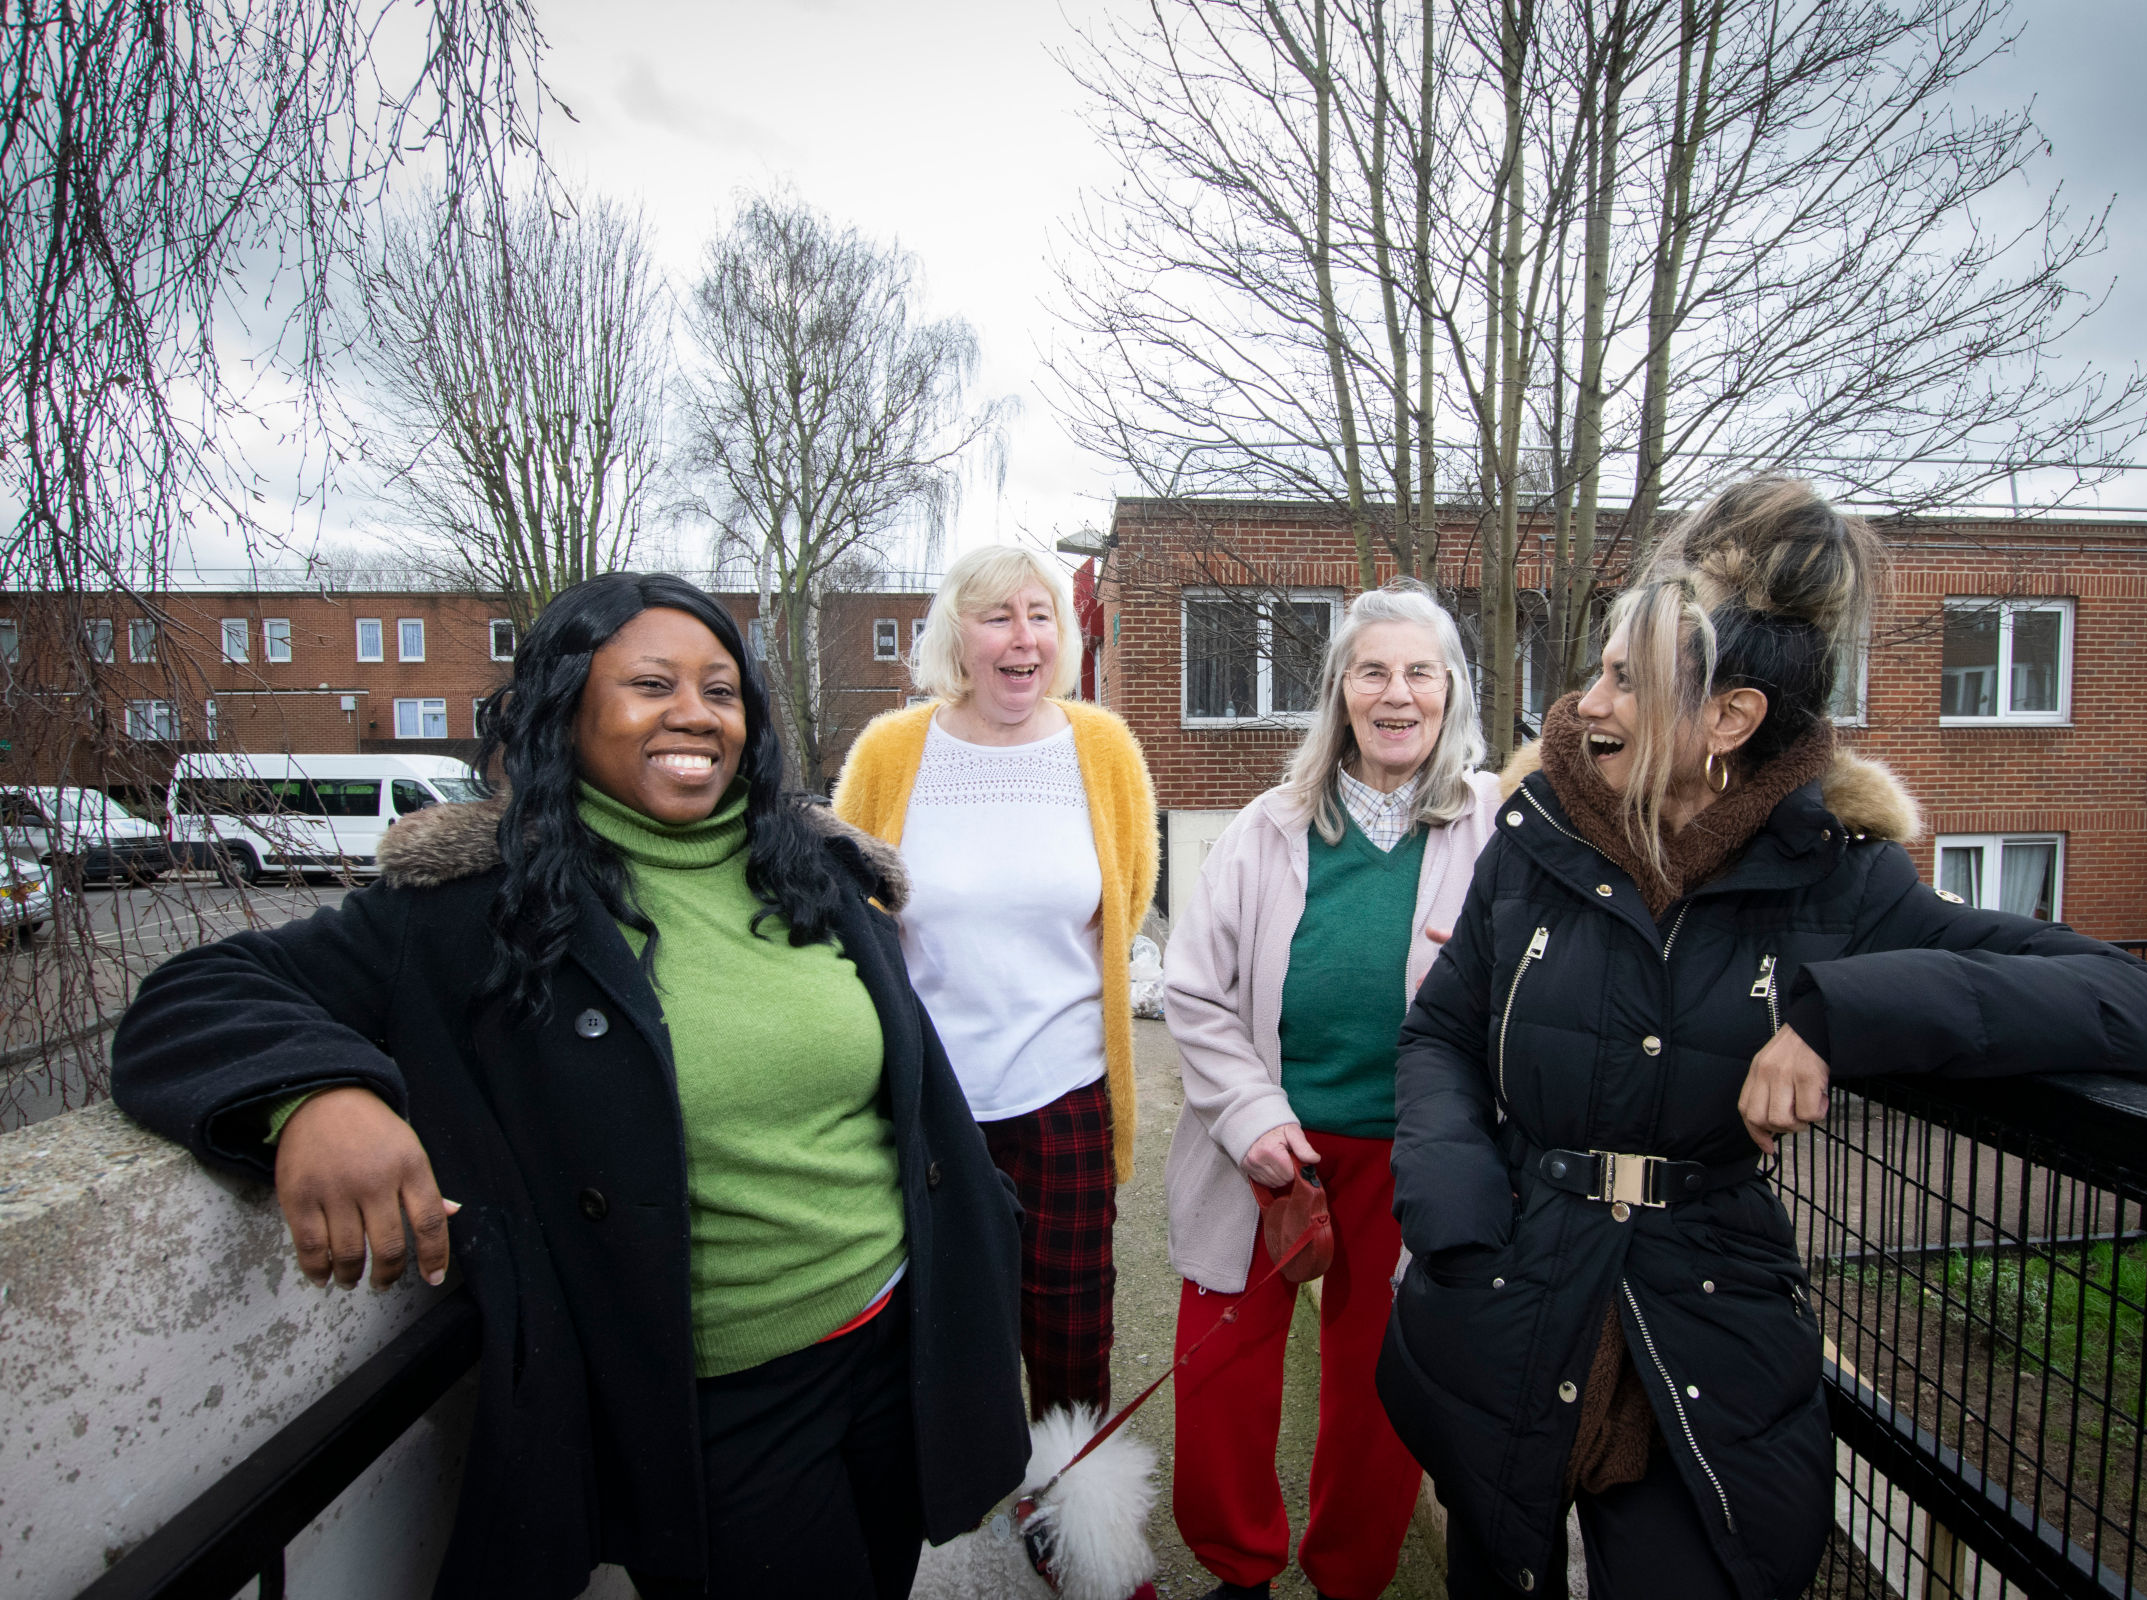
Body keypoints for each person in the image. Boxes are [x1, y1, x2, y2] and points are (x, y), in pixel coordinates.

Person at [111, 574, 1029, 1600]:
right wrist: (319, 1099)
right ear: (568, 708)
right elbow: (193, 995)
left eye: (721, 690)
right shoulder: (474, 901)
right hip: (723, 1410)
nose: (694, 712)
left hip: (897, 1349)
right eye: (650, 683)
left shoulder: (816, 873)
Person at [1379, 480, 2147, 1600]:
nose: (1581, 700)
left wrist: (1835, 1015)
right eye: (1600, 665)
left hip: (1702, 1320)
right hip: (1509, 1297)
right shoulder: (1538, 835)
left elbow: (2126, 1004)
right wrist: (1455, 1224)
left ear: (1730, 719)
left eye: (1623, 678)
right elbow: (1442, 1035)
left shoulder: (1838, 877)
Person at [1162, 581, 1503, 1600]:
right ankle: (1239, 1567)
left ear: (1451, 691)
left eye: (1419, 673)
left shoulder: (1496, 826)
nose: (1396, 694)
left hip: (1415, 1157)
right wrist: (1253, 1120)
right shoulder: (1270, 828)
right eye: (1373, 672)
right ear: (1340, 692)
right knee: (1217, 1369)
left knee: (1380, 1392)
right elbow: (1192, 989)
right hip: (1269, 1152)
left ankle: (1350, 1575)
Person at [833, 544, 1158, 1423]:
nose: (1024, 639)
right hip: (931, 1098)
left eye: (1041, 616)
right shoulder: (892, 754)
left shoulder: (1104, 750)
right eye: (998, 616)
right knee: (939, 1316)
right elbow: (849, 917)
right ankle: (956, 1477)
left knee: (1072, 1325)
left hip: (1068, 1092)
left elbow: (1124, 903)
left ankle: (1067, 1509)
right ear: (958, 638)